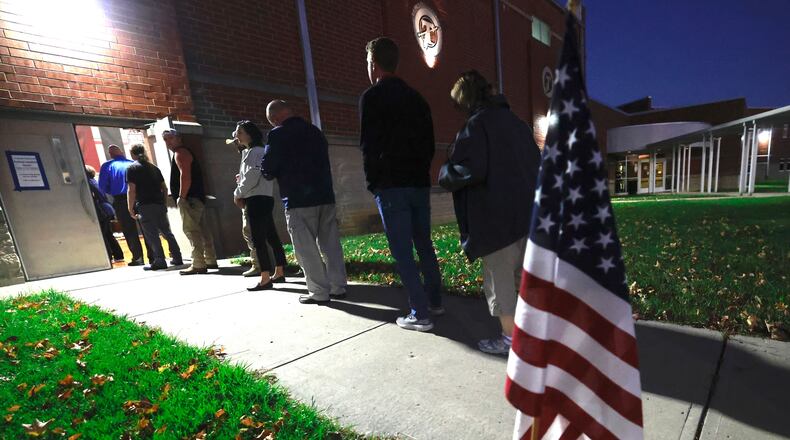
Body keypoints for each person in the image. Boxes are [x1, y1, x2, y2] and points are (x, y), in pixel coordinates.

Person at [439, 70, 541, 354]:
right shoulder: (518, 125)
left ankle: (510, 341)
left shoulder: (476, 126)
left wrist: (445, 171)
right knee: (522, 281)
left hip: (496, 221)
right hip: (527, 218)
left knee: (500, 286)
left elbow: (468, 170)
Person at [360, 37, 443, 332]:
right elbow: (429, 145)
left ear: (374, 63)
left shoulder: (372, 97)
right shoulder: (417, 99)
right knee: (424, 243)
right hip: (418, 183)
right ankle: (435, 300)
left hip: (391, 185)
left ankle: (420, 313)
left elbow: (369, 146)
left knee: (402, 250)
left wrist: (374, 182)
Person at [262, 100, 348, 304]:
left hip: (298, 199)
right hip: (324, 195)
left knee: (306, 248)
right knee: (331, 244)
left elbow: (268, 169)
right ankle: (339, 286)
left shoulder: (277, 134)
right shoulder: (314, 131)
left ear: (274, 119)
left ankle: (319, 292)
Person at [231, 120, 286, 291]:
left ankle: (265, 277)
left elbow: (252, 176)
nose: (236, 136)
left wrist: (237, 193)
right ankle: (279, 271)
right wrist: (241, 183)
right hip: (262, 197)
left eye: (239, 132)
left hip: (257, 199)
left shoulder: (256, 151)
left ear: (250, 134)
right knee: (271, 236)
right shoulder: (251, 152)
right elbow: (250, 176)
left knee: (258, 239)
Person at [162, 129, 218, 275]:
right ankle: (210, 259)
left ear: (178, 138)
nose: (168, 142)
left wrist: (181, 197)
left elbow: (185, 175)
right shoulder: (184, 152)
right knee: (203, 229)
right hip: (196, 198)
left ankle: (199, 263)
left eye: (170, 138)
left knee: (192, 230)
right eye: (165, 140)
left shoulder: (180, 153)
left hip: (190, 199)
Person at [126, 144, 183, 271]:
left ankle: (159, 260)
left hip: (145, 206)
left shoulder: (131, 169)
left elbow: (131, 190)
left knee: (152, 235)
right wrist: (163, 203)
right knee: (167, 232)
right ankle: (177, 257)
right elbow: (164, 188)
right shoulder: (154, 168)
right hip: (159, 204)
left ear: (132, 154)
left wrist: (130, 208)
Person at [98, 144, 150, 266]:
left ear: (110, 154)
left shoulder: (107, 166)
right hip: (140, 197)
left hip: (121, 200)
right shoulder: (133, 163)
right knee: (146, 228)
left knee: (129, 229)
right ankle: (154, 256)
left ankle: (138, 258)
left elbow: (102, 187)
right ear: (122, 152)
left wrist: (112, 191)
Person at [230, 139, 262, 278]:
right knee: (255, 232)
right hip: (255, 196)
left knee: (250, 231)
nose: (235, 145)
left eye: (237, 141)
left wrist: (238, 193)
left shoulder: (251, 153)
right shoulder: (248, 154)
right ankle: (264, 264)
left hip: (251, 197)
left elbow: (252, 176)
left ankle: (259, 265)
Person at [86, 165, 124, 263]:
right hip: (106, 208)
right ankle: (118, 255)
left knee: (103, 234)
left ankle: (109, 257)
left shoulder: (88, 183)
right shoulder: (95, 182)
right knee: (108, 234)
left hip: (100, 210)